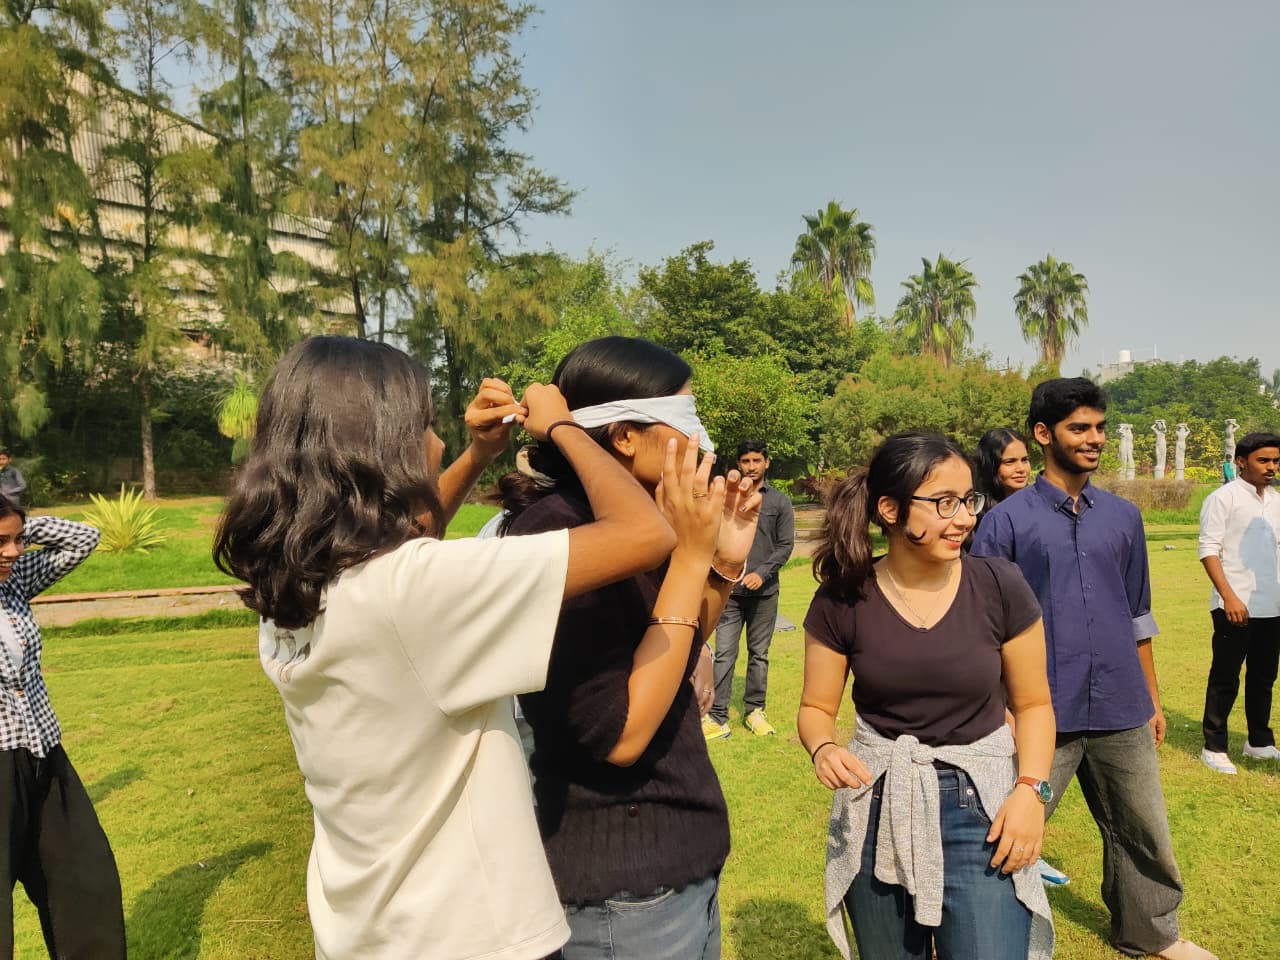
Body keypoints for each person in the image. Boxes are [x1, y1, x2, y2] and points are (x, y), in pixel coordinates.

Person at [213, 336, 678, 960]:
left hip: (363, 927)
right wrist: (563, 428)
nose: (436, 445)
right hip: (470, 933)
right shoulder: (416, 592)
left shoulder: (295, 586)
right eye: (426, 426)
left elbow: (408, 539)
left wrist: (480, 455)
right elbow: (645, 533)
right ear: (385, 446)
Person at [501, 336, 761, 960]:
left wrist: (722, 564)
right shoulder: (560, 531)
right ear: (622, 436)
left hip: (679, 865)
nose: (702, 437)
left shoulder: (640, 521)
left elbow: (668, 647)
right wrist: (691, 556)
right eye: (685, 416)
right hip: (622, 891)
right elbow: (619, 733)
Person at [971, 377, 1217, 960]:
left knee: (1143, 830)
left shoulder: (1124, 517)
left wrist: (1151, 697)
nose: (1095, 438)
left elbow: (1138, 615)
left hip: (1119, 702)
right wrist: (1000, 707)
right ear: (1043, 434)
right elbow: (983, 626)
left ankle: (1150, 933)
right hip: (1038, 710)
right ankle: (978, 937)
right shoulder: (1005, 523)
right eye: (1079, 428)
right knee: (1003, 831)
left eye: (1100, 427)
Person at [798, 431, 1055, 960]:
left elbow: (1033, 706)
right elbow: (815, 709)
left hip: (983, 808)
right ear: (890, 509)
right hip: (877, 804)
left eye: (968, 500)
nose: (964, 518)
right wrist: (822, 747)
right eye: (944, 503)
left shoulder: (999, 585)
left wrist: (1031, 791)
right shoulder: (843, 598)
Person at [0, 497, 126, 958]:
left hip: (43, 753)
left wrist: (23, 526)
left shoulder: (14, 582)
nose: (13, 552)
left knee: (82, 878)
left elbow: (83, 540)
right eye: (2, 542)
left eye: (17, 541)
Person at [975, 428, 1071, 888]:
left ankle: (1024, 839)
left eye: (1022, 460)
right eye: (1008, 461)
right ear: (991, 468)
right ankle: (1009, 845)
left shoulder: (1040, 513)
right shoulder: (985, 521)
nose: (1019, 468)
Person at [1197, 431, 1280, 774]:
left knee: (1263, 676)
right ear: (1241, 462)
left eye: (1275, 461)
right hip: (1234, 604)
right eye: (1263, 460)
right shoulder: (1223, 498)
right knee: (1225, 678)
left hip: (1272, 605)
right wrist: (1229, 596)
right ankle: (1214, 746)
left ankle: (1259, 741)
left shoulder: (1276, 501)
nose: (1271, 467)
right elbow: (1208, 549)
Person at [703, 439, 794, 740]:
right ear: (738, 464)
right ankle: (717, 716)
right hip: (729, 593)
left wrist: (761, 573)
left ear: (767, 462)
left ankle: (754, 711)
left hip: (764, 594)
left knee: (759, 654)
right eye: (746, 461)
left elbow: (785, 546)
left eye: (757, 460)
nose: (751, 467)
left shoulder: (779, 502)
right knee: (724, 654)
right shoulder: (727, 499)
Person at [975, 427, 1031, 507]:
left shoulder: (1039, 503)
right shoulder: (974, 509)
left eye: (1024, 460)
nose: (1021, 469)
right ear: (990, 465)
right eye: (1010, 462)